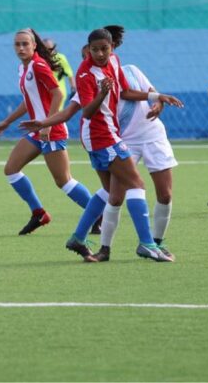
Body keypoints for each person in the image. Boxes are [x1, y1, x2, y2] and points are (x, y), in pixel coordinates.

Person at [22, 25, 183, 262]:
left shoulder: (115, 63)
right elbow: (85, 112)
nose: (98, 54)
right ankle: (147, 244)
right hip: (101, 137)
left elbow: (125, 92)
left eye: (103, 49)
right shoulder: (86, 75)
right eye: (93, 50)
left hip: (107, 135)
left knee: (110, 192)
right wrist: (101, 94)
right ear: (88, 51)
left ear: (111, 48)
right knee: (136, 184)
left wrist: (157, 96)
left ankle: (79, 238)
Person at [0, 28, 93, 235]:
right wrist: (7, 121)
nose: (21, 48)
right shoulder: (23, 68)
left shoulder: (38, 65)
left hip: (51, 130)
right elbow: (28, 100)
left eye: (25, 44)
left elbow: (58, 94)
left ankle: (98, 215)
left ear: (34, 46)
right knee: (11, 169)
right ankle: (39, 213)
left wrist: (47, 125)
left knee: (64, 181)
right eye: (17, 44)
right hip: (37, 130)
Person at [43, 38, 76, 109]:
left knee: (56, 113)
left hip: (59, 92)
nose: (50, 51)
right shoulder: (40, 59)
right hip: (44, 93)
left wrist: (73, 89)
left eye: (52, 49)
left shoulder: (60, 58)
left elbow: (70, 74)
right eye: (47, 50)